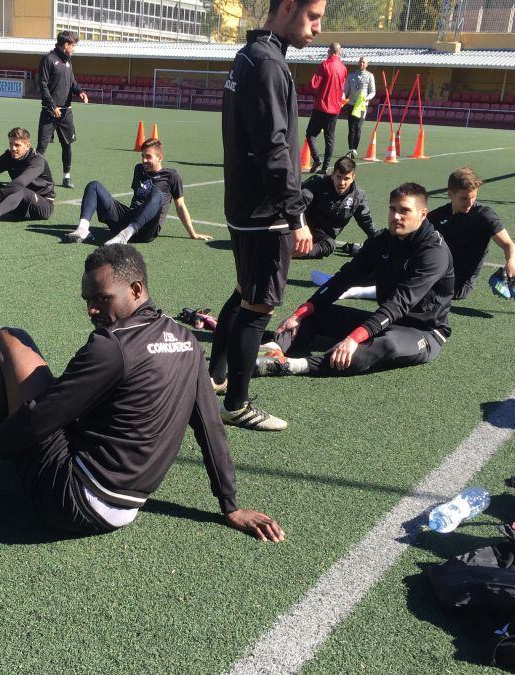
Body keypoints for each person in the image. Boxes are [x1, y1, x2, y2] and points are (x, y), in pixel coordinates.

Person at [0, 245, 285, 542]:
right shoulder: (187, 342)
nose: (91, 310)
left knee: (8, 342)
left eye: (100, 298)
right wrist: (230, 505)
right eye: (87, 300)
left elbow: (39, 418)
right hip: (123, 509)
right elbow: (210, 427)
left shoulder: (112, 346)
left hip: (71, 501)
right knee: (59, 401)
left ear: (137, 289)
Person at [209, 0, 324, 432]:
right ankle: (237, 405)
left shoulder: (248, 55)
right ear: (288, 7)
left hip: (244, 206)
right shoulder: (269, 64)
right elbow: (275, 148)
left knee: (244, 291)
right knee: (258, 306)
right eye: (312, 17)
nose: (316, 29)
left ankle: (215, 375)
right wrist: (296, 216)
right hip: (266, 211)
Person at [255, 182, 454, 378]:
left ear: (422, 214)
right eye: (392, 209)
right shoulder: (382, 240)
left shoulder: (434, 252)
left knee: (388, 344)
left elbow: (400, 303)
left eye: (404, 211)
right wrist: (301, 312)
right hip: (386, 321)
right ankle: (271, 350)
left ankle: (293, 365)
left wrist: (354, 338)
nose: (395, 216)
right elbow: (343, 279)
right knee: (317, 313)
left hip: (423, 332)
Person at [65, 139, 211, 245]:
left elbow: (180, 206)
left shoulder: (172, 175)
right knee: (94, 186)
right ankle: (83, 229)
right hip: (127, 220)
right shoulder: (139, 169)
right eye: (142, 155)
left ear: (160, 158)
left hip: (146, 230)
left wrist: (193, 233)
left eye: (148, 156)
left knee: (157, 193)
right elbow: (137, 198)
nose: (144, 160)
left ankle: (125, 235)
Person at [430, 167, 515, 301]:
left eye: (473, 197)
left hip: (459, 283)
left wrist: (510, 263)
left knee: (432, 293)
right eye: (464, 198)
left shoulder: (484, 216)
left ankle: (500, 276)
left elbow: (508, 245)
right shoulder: (437, 216)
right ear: (450, 194)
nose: (469, 203)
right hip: (437, 271)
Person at [296, 156, 378, 259]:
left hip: (322, 236)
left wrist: (378, 241)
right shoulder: (317, 183)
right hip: (300, 226)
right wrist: (300, 226)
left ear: (353, 178)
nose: (342, 183)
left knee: (330, 244)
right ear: (332, 175)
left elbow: (366, 220)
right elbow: (297, 203)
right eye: (339, 177)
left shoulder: (357, 196)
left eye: (346, 178)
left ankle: (296, 252)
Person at [37, 30, 89, 189]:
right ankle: (34, 177)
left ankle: (66, 177)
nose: (74, 49)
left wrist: (80, 91)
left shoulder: (68, 62)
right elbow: (43, 85)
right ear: (66, 45)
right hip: (49, 111)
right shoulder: (48, 59)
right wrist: (52, 106)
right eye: (73, 45)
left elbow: (72, 82)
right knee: (41, 147)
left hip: (66, 112)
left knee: (67, 145)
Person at [304, 42, 347, 175]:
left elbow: (314, 85)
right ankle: (326, 167)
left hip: (321, 106)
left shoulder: (325, 65)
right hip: (335, 108)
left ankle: (316, 159)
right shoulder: (343, 68)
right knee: (330, 138)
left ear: (330, 51)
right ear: (339, 52)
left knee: (310, 134)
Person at [342, 56, 376, 159]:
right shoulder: (351, 76)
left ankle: (355, 149)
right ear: (358, 63)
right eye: (360, 62)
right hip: (351, 104)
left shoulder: (370, 76)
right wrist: (343, 97)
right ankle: (350, 149)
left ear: (367, 64)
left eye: (364, 62)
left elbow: (373, 91)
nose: (362, 64)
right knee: (351, 127)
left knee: (358, 128)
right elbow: (345, 90)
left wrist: (367, 98)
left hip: (362, 106)